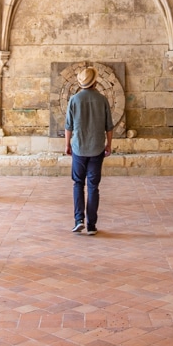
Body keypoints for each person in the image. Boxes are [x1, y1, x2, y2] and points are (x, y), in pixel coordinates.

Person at [64, 66, 113, 234]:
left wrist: (67, 144)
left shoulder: (74, 100)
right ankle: (92, 225)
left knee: (78, 183)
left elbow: (68, 126)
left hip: (78, 147)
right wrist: (109, 144)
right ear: (95, 81)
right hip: (96, 148)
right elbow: (109, 126)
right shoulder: (102, 99)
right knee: (93, 186)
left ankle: (79, 220)